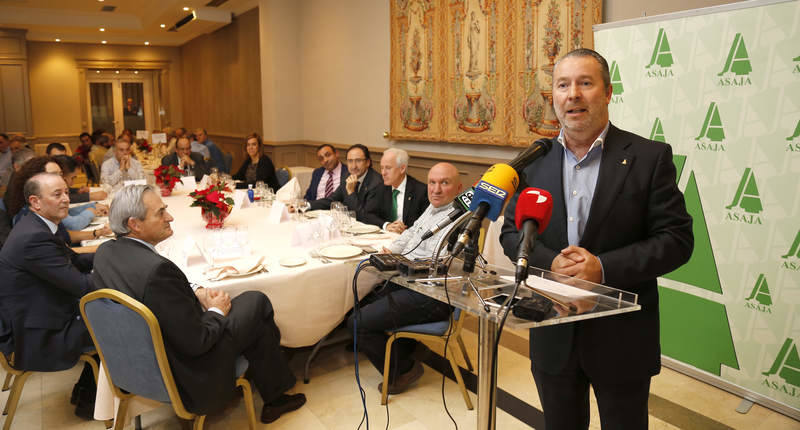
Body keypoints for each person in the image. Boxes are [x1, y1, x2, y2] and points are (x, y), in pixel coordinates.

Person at [499, 48, 694, 430]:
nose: (573, 94)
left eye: (585, 83)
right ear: (553, 97)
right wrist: (549, 261)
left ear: (607, 92)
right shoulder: (533, 160)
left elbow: (676, 239)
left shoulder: (649, 157)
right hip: (552, 336)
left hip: (622, 342)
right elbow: (511, 232)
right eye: (562, 85)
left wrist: (603, 268)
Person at [92, 185, 306, 422]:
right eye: (160, 213)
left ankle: (272, 381)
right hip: (190, 371)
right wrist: (217, 311)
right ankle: (276, 390)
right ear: (134, 224)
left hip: (138, 363)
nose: (170, 217)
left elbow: (158, 297)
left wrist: (195, 291)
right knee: (257, 302)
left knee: (253, 318)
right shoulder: (156, 272)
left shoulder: (105, 253)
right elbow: (197, 341)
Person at [347, 162, 463, 394]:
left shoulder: (463, 219)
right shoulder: (432, 208)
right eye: (432, 182)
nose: (436, 189)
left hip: (433, 295)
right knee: (353, 307)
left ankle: (404, 369)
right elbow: (410, 234)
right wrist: (389, 251)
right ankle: (410, 347)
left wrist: (402, 261)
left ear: (459, 188)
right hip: (407, 282)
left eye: (444, 183)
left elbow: (447, 266)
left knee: (357, 322)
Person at [0, 172, 98, 419]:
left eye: (66, 192)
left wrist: (115, 254)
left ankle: (87, 392)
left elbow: (74, 260)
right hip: (35, 334)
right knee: (117, 322)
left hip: (35, 314)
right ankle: (93, 400)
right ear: (35, 202)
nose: (66, 199)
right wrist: (123, 273)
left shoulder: (37, 225)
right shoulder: (34, 237)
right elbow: (81, 286)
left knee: (107, 312)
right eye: (57, 194)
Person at [309, 144, 389, 226]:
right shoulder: (347, 175)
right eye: (350, 161)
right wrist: (307, 205)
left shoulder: (376, 183)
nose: (353, 166)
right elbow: (332, 200)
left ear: (367, 162)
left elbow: (364, 217)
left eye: (358, 161)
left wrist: (351, 192)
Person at [378, 148, 428, 233]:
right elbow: (368, 214)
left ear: (402, 169)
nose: (383, 173)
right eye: (382, 168)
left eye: (388, 168)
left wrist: (405, 232)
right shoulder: (381, 187)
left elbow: (425, 225)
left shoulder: (421, 191)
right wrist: (386, 225)